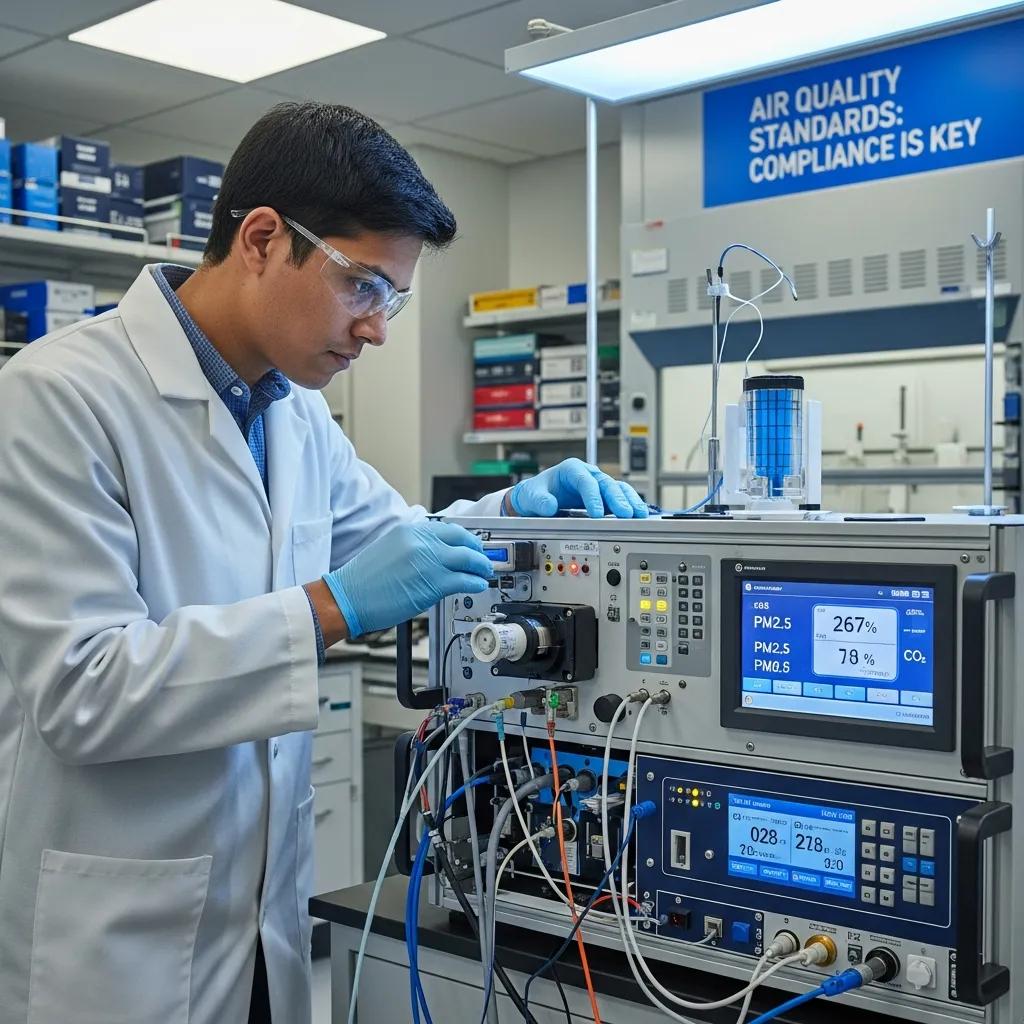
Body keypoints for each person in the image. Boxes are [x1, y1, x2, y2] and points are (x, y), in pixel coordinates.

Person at [0, 102, 647, 1024]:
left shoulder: (293, 413)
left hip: (263, 929)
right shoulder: (58, 398)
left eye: (394, 298)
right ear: (262, 239)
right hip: (116, 943)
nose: (377, 328)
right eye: (363, 287)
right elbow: (82, 687)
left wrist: (515, 513)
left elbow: (403, 539)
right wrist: (330, 609)